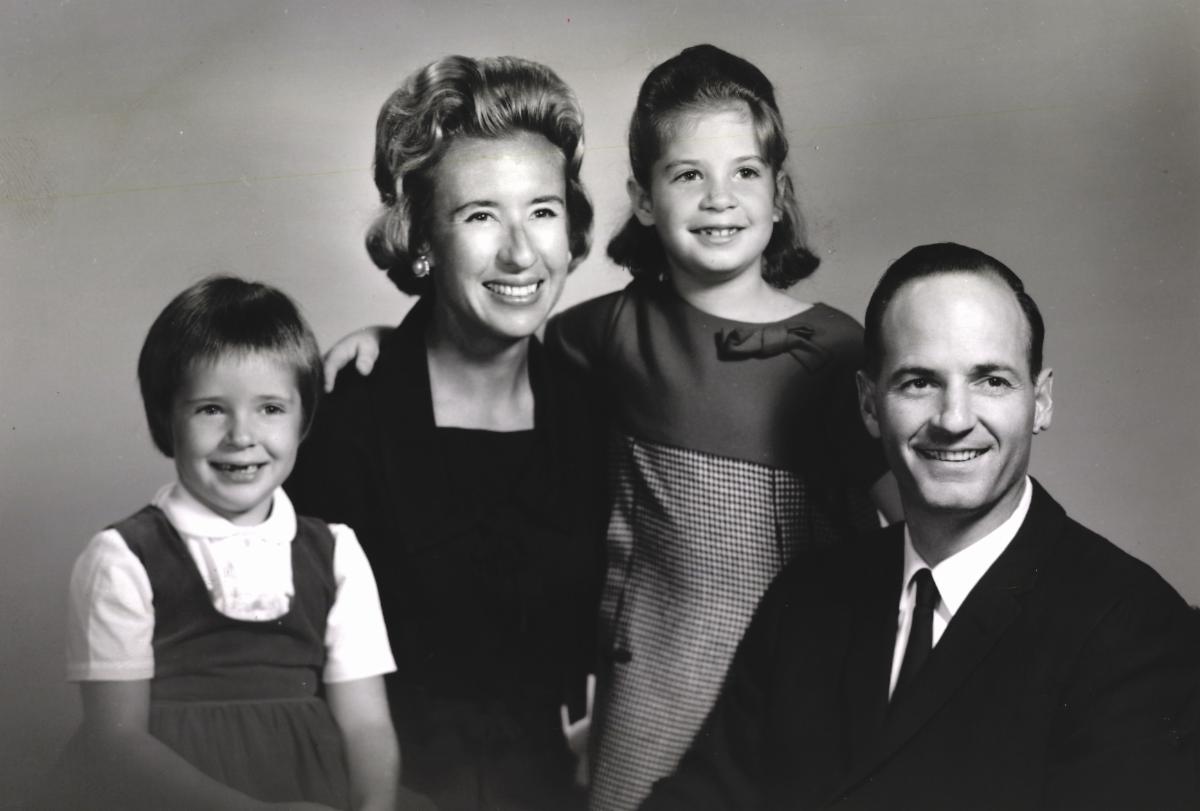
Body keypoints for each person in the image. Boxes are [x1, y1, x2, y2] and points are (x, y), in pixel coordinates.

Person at [641, 242, 1200, 810]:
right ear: (868, 404)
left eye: (991, 380)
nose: (954, 420)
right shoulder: (805, 596)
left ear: (1042, 401)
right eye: (918, 382)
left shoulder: (1135, 628)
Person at [545, 44, 898, 810]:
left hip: (801, 696)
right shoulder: (604, 333)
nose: (719, 199)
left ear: (779, 194)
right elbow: (487, 361)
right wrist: (386, 340)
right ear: (643, 199)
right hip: (655, 690)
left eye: (744, 172)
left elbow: (915, 522)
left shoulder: (839, 349)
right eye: (687, 176)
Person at [285, 55, 605, 811]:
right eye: (480, 215)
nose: (521, 253)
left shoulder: (595, 410)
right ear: (423, 239)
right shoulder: (347, 419)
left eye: (543, 211)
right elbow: (284, 674)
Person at [50, 277, 401, 811]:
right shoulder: (123, 557)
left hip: (314, 790)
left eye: (270, 408)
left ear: (304, 420)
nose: (242, 435)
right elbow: (116, 743)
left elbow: (367, 724)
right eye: (211, 409)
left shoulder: (336, 554)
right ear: (165, 419)